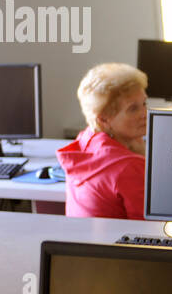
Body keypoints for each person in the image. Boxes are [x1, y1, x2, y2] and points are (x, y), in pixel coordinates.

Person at [57, 63, 148, 220]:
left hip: (83, 242)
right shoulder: (129, 167)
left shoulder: (86, 140)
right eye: (133, 109)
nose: (145, 113)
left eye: (144, 103)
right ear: (104, 120)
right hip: (113, 244)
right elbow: (151, 229)